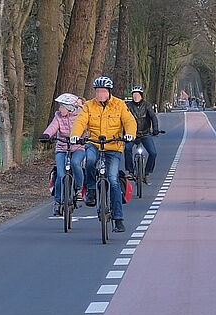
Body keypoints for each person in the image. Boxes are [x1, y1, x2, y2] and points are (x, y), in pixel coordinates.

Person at [70, 76, 137, 233]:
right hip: (93, 143)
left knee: (113, 180)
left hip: (113, 146)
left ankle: (118, 218)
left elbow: (129, 121)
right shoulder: (88, 106)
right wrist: (75, 134)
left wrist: (130, 134)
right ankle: (91, 190)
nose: (100, 94)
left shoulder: (119, 104)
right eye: (98, 91)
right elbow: (80, 121)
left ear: (109, 92)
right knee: (90, 160)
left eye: (103, 91)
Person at [39, 92, 86, 216]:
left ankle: (78, 190)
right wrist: (47, 135)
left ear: (70, 107)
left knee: (76, 163)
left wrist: (84, 138)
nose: (60, 109)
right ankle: (58, 202)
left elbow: (86, 129)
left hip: (77, 148)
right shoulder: (58, 116)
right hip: (62, 148)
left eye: (62, 106)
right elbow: (53, 127)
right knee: (60, 175)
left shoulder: (80, 116)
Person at [124, 85, 159, 185]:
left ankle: (147, 173)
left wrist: (155, 129)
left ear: (141, 95)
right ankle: (130, 171)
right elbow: (123, 119)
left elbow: (153, 117)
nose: (135, 97)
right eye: (134, 95)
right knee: (127, 149)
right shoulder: (128, 106)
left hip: (145, 133)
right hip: (132, 134)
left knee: (153, 153)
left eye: (137, 95)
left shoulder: (147, 105)